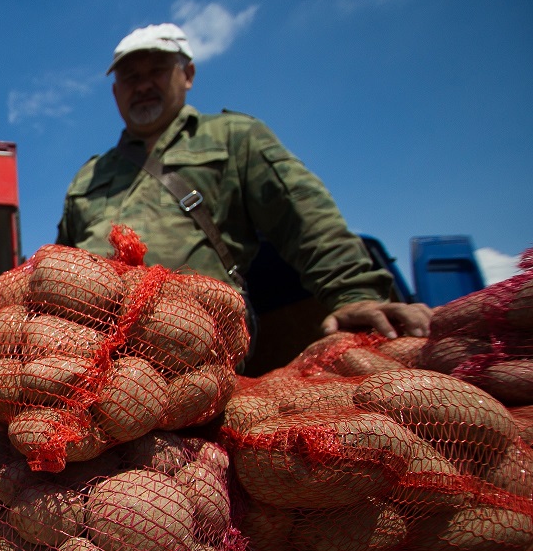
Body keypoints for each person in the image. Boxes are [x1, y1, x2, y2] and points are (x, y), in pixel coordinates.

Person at [56, 22, 432, 342]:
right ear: (115, 91)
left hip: (198, 339)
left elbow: (304, 216)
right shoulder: (90, 174)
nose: (142, 85)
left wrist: (354, 294)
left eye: (157, 70)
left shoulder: (233, 136)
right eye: (130, 77)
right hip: (90, 342)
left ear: (187, 75)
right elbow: (61, 263)